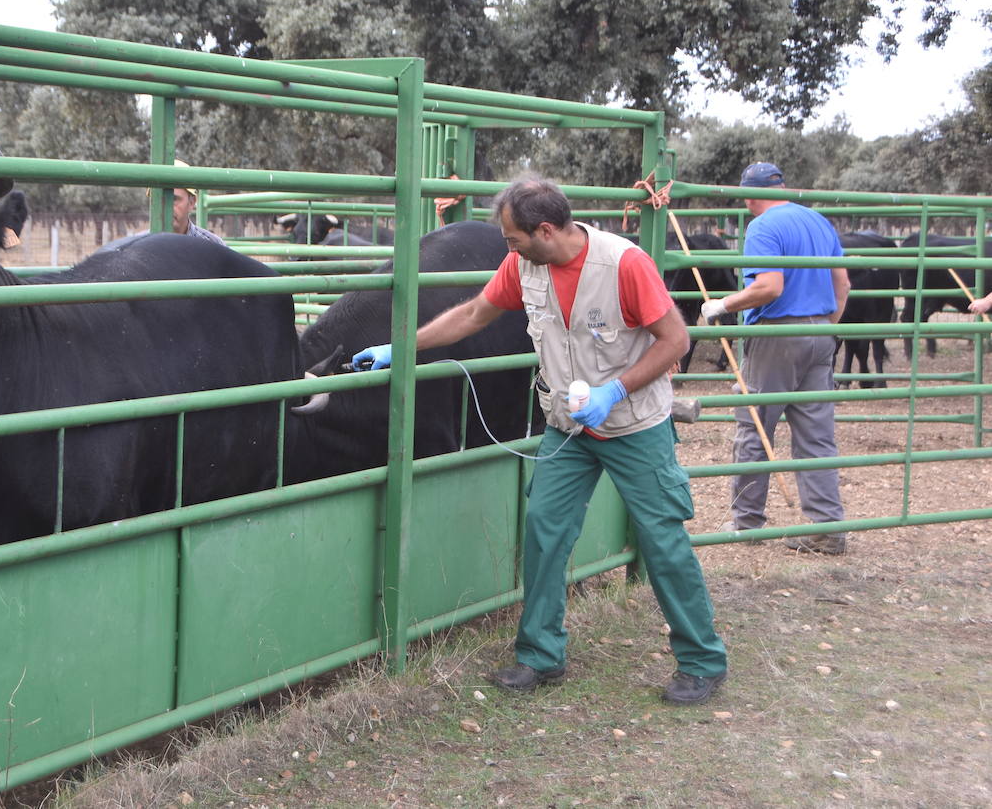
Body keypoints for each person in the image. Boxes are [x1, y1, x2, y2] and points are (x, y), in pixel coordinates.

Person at [352, 175, 728, 705]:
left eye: (512, 239)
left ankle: (703, 660)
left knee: (662, 539)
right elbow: (475, 313)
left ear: (546, 229)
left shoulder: (623, 264)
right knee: (545, 530)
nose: (508, 249)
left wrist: (614, 390)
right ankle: (541, 654)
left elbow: (676, 340)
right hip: (568, 427)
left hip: (633, 424)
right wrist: (401, 349)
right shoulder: (525, 265)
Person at [699, 162, 850, 554]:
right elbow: (842, 282)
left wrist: (723, 304)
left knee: (754, 426)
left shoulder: (762, 226)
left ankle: (747, 523)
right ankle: (828, 527)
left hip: (778, 335)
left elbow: (769, 286)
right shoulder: (818, 221)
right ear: (782, 186)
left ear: (749, 195)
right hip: (821, 332)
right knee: (817, 435)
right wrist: (824, 324)